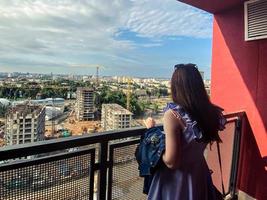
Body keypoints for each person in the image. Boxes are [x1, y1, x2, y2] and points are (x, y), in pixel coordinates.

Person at [144, 63, 225, 200]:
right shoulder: (209, 113)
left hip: (176, 182)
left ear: (176, 87)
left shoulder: (173, 115)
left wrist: (151, 133)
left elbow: (171, 162)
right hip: (199, 174)